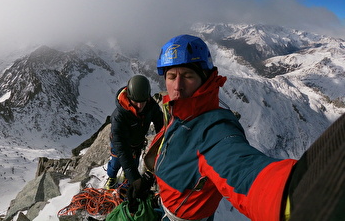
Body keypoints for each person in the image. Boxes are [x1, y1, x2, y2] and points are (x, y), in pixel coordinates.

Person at [127, 34, 344, 221]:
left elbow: (242, 171)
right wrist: (148, 178)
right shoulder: (178, 112)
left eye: (188, 76)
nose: (177, 86)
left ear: (204, 79)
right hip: (165, 205)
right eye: (171, 76)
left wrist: (297, 194)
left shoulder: (213, 130)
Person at [105, 74, 164, 190]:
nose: (140, 105)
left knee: (133, 167)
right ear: (129, 97)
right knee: (115, 163)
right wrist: (135, 178)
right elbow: (122, 148)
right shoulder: (119, 116)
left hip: (137, 145)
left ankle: (127, 186)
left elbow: (160, 123)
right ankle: (111, 177)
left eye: (143, 101)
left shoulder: (150, 106)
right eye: (136, 101)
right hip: (120, 146)